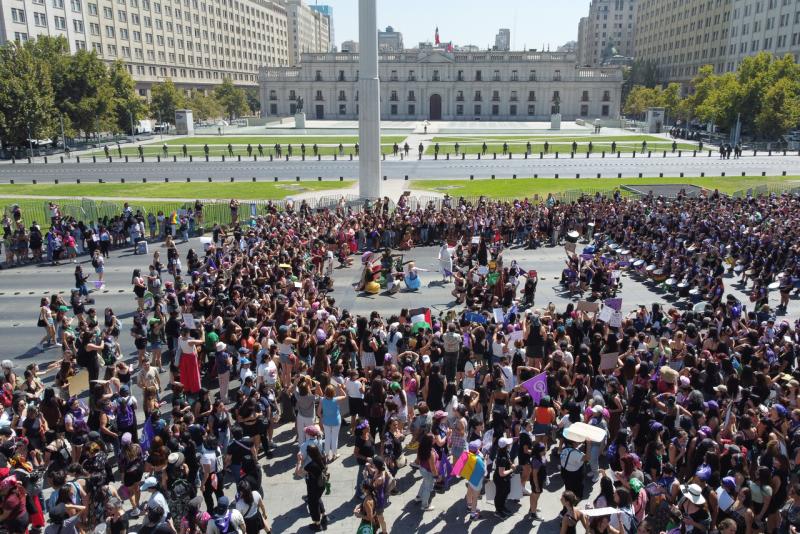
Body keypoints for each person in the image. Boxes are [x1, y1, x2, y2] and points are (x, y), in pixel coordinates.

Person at [304, 444, 329, 532]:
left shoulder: (310, 465)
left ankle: (317, 524)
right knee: (318, 499)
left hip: (313, 487)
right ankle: (324, 515)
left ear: (310, 453)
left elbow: (299, 473)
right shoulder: (323, 458)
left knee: (313, 505)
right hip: (321, 485)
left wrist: (299, 461)